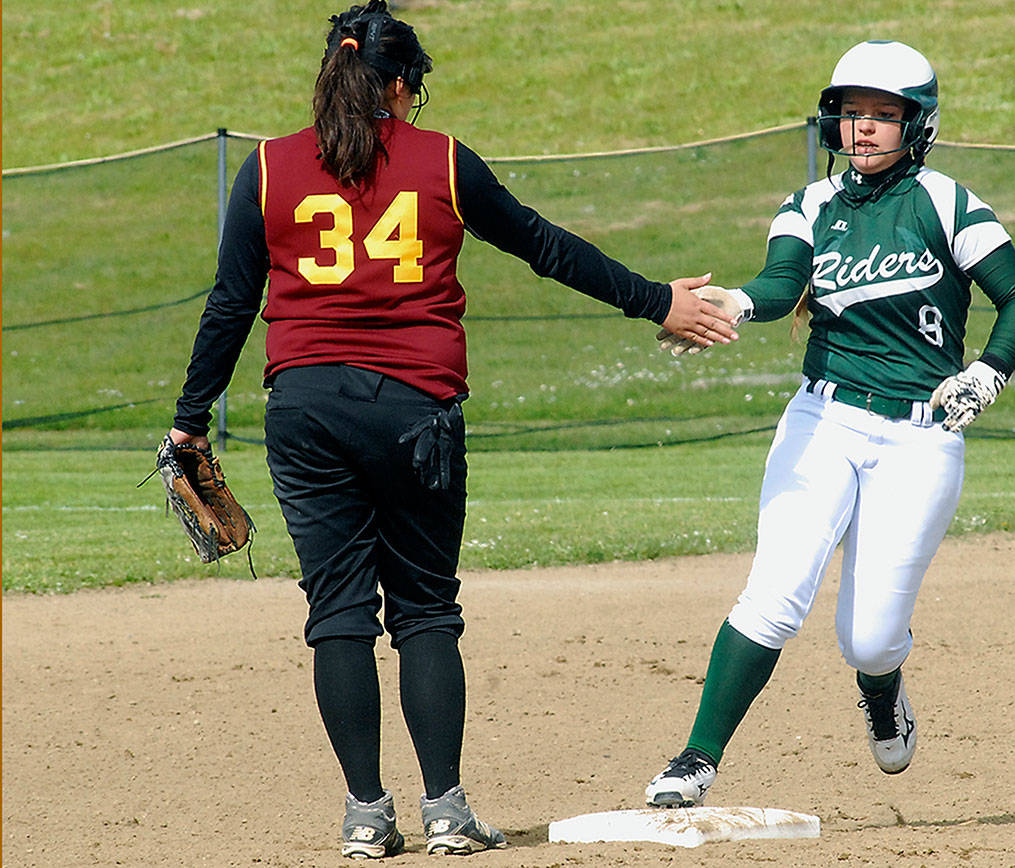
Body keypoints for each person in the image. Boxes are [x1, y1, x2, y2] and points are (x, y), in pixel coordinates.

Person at [164, 1, 736, 858]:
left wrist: (189, 422)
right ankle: (446, 812)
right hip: (416, 412)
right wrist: (658, 300)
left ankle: (365, 815)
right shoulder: (443, 161)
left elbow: (231, 303)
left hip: (307, 413)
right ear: (399, 82)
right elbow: (544, 246)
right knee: (425, 611)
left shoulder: (270, 169)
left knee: (340, 618)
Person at [645, 40, 1015, 807]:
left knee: (866, 639)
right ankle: (696, 758)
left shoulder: (946, 202)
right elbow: (781, 280)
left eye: (884, 115)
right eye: (853, 113)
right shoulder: (811, 206)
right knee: (775, 592)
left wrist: (987, 370)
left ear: (918, 123)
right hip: (823, 419)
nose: (864, 129)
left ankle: (883, 685)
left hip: (922, 437)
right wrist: (730, 301)